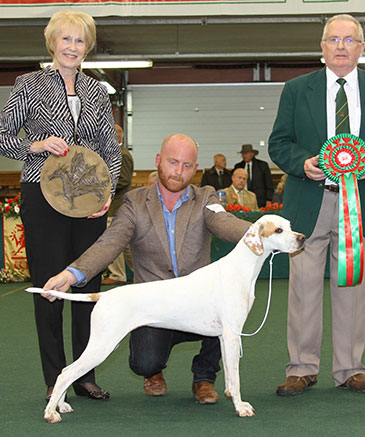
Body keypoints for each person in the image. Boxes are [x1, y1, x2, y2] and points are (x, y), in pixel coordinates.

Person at [42, 134, 250, 404]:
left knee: (227, 308)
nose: (178, 171)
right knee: (144, 361)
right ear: (158, 161)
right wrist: (70, 275)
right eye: (173, 162)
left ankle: (204, 377)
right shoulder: (135, 203)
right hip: (154, 308)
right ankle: (152, 372)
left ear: (195, 169)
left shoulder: (205, 198)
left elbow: (225, 223)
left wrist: (262, 231)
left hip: (199, 305)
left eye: (187, 165)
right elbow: (109, 243)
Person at [268, 14, 365, 396]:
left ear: (362, 48)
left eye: (350, 40)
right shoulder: (297, 89)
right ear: (322, 47)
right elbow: (279, 142)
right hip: (309, 202)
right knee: (303, 289)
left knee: (353, 287)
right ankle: (301, 368)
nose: (341, 46)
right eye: (334, 39)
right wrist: (303, 164)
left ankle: (350, 369)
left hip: (359, 205)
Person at [0, 10, 121, 402]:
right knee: (50, 289)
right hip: (42, 195)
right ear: (52, 43)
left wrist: (108, 193)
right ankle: (56, 377)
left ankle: (85, 375)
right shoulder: (28, 85)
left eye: (80, 40)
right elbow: (2, 137)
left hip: (89, 201)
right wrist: (36, 145)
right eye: (65, 39)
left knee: (87, 287)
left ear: (88, 47)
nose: (72, 47)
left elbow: (110, 148)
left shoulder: (98, 92)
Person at [102, 124, 134, 286]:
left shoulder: (123, 155)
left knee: (114, 240)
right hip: (113, 205)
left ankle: (118, 274)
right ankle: (137, 272)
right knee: (125, 244)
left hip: (117, 205)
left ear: (118, 136)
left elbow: (124, 181)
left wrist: (103, 186)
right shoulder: (113, 154)